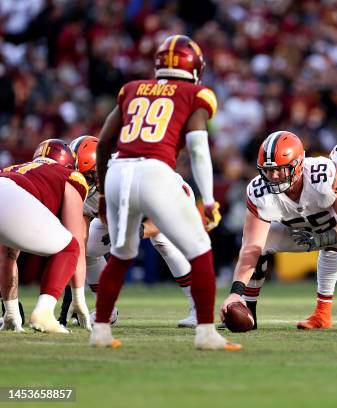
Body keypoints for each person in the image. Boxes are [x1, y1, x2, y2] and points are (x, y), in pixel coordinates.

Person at [90, 34, 237, 351]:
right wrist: (208, 200)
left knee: (121, 253)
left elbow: (103, 143)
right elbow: (198, 149)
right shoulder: (195, 93)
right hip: (155, 171)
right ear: (195, 66)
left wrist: (103, 193)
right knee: (200, 249)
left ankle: (100, 330)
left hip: (117, 171)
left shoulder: (132, 89)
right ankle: (206, 332)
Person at [219, 130, 337, 333]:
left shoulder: (322, 175)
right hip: (302, 232)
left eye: (281, 169)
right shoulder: (259, 191)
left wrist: (323, 239)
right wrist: (236, 292)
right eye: (269, 170)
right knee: (261, 246)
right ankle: (249, 310)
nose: (274, 176)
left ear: (298, 164)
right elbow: (251, 247)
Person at [58, 135, 200, 329]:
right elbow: (79, 241)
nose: (85, 182)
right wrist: (72, 298)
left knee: (162, 241)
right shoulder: (85, 187)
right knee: (88, 249)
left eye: (89, 176)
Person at [0, 139, 89, 333]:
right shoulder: (70, 174)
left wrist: (11, 311)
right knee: (70, 247)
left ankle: (11, 314)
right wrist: (78, 298)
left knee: (8, 253)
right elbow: (77, 243)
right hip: (14, 199)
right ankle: (44, 313)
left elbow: (7, 255)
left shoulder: (16, 167)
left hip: (6, 188)